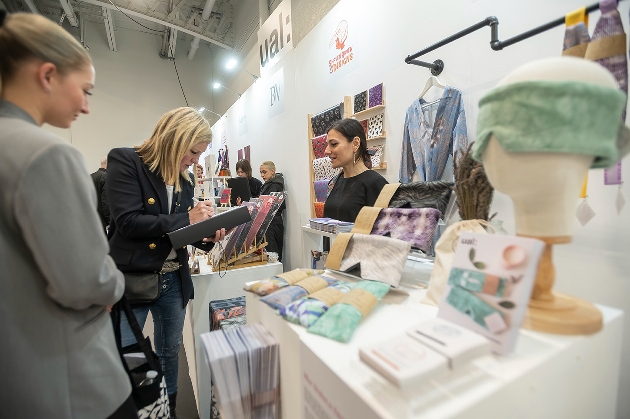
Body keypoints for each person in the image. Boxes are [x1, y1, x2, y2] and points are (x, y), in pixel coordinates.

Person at [0, 12, 136, 418]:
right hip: (68, 380)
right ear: (47, 75)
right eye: (85, 90)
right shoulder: (45, 155)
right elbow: (85, 280)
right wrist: (114, 284)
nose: (86, 106)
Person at [106, 107, 226, 418]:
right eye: (193, 152)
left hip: (174, 280)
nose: (195, 161)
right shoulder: (126, 160)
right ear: (175, 139)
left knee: (170, 351)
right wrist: (188, 217)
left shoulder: (185, 181)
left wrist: (205, 237)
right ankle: (137, 408)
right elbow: (128, 221)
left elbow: (178, 233)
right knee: (129, 352)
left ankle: (167, 408)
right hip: (134, 278)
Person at [324, 118, 388, 222]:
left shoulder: (375, 183)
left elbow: (385, 229)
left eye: (334, 144)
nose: (326, 151)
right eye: (327, 144)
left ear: (355, 144)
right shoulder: (334, 182)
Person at [259, 160, 285, 261]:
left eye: (264, 172)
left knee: (273, 255)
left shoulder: (275, 186)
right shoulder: (268, 185)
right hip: (269, 223)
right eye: (261, 172)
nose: (262, 175)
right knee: (270, 254)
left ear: (272, 171)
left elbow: (272, 206)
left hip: (272, 224)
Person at [91, 155, 110, 233]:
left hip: (91, 218)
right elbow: (106, 201)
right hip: (101, 221)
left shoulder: (90, 176)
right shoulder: (106, 177)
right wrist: (110, 220)